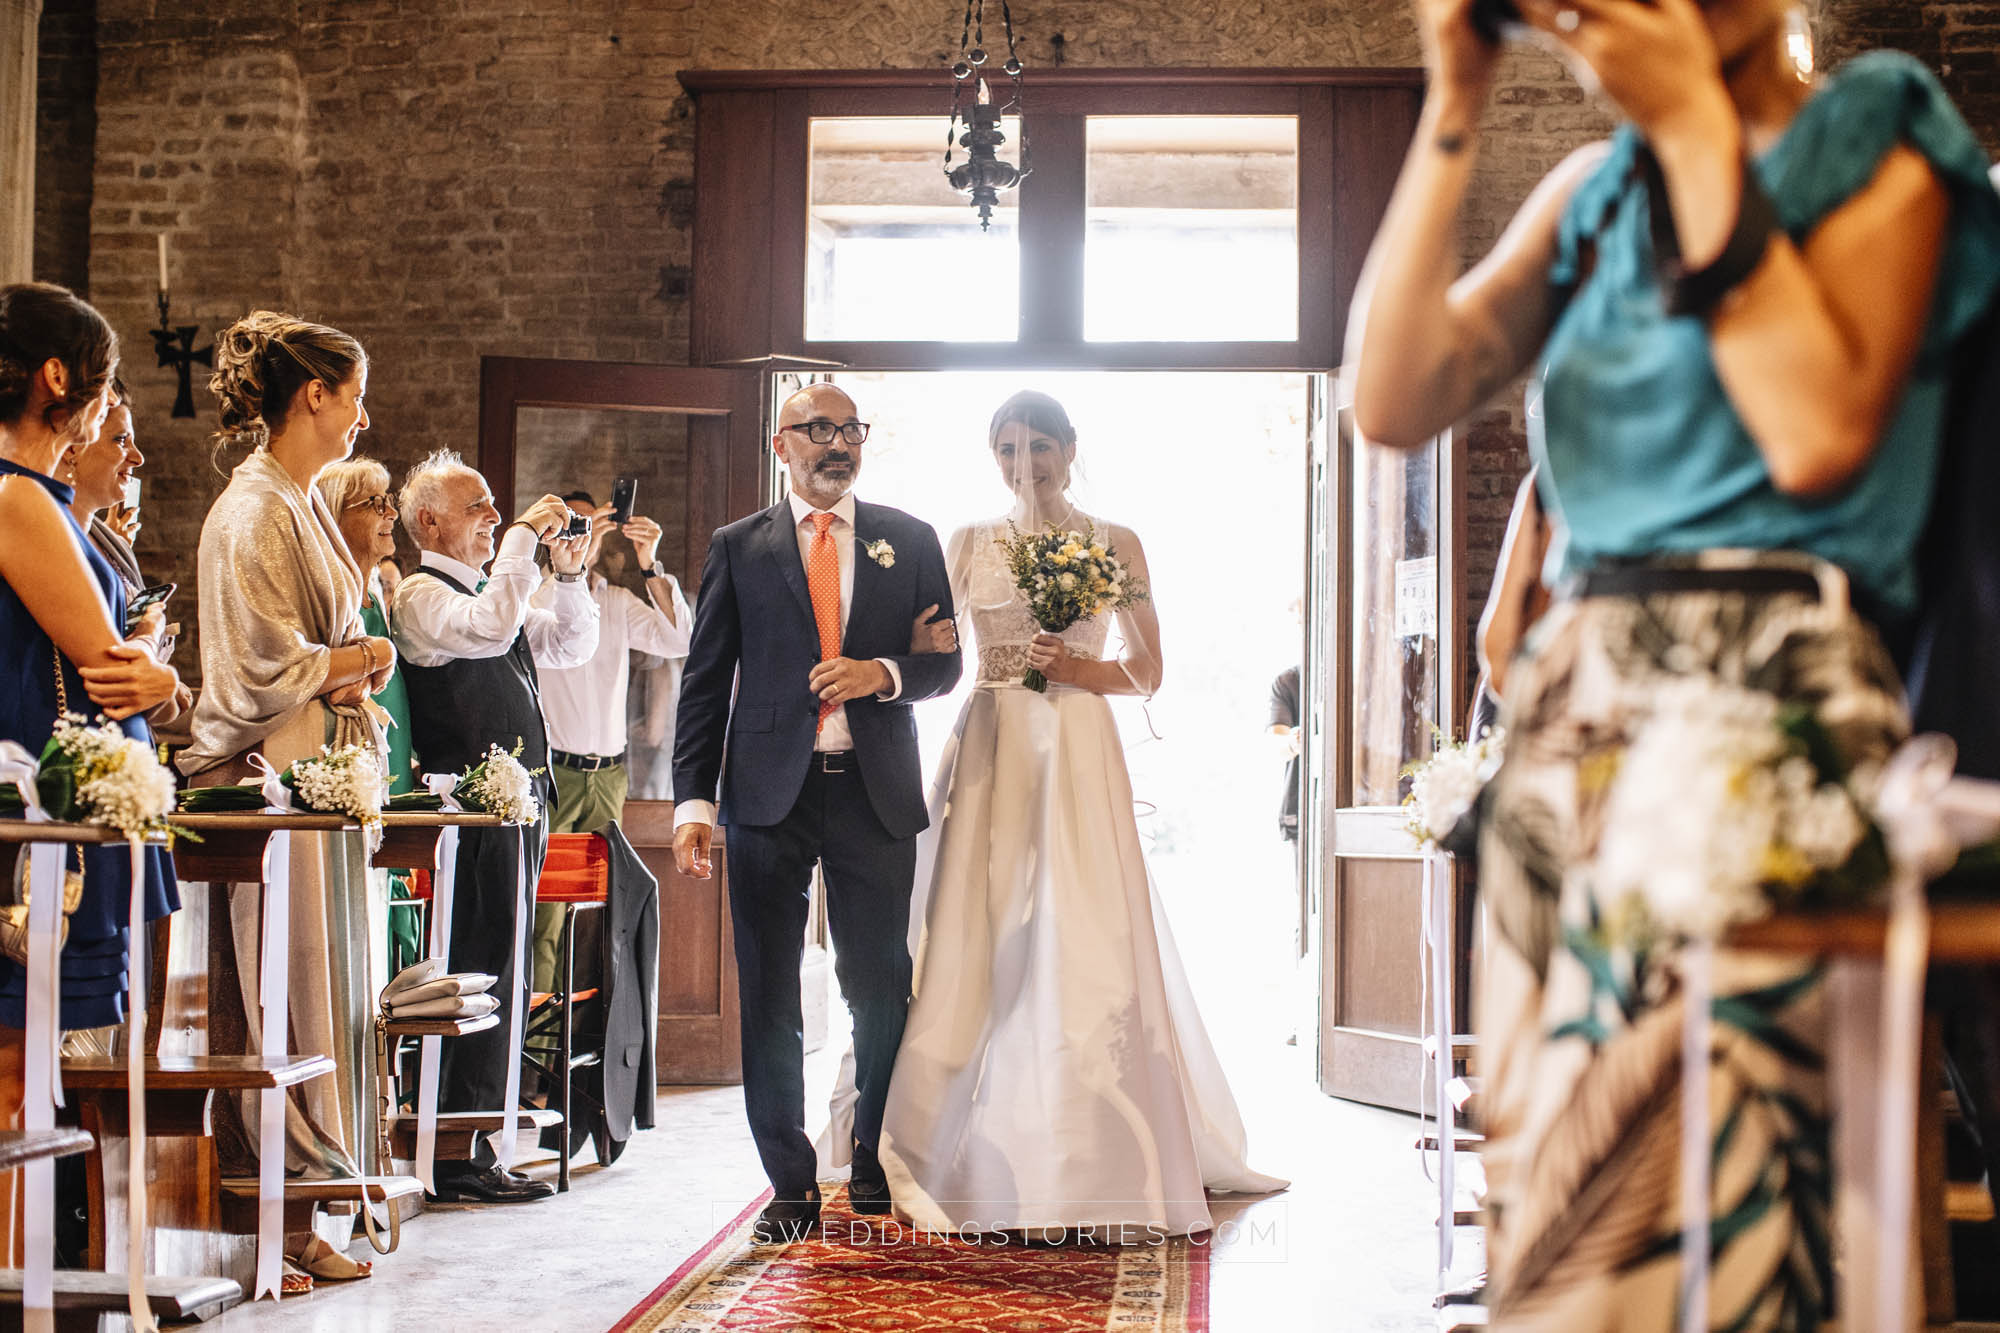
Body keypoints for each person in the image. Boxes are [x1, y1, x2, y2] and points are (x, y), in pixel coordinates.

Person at [1348, 0, 2000, 1323]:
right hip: (1571, 719)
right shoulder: (1596, 192)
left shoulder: (1881, 128)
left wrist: (1698, 120)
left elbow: (1815, 430)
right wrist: (1453, 102)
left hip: (1771, 694)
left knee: (1756, 1185)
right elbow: (1396, 393)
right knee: (1576, 1202)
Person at [873, 389, 1286, 1239]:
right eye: (1007, 450)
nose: (1024, 465)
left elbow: (1148, 670)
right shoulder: (968, 541)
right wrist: (928, 645)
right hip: (990, 741)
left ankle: (1100, 1146)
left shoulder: (1114, 540)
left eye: (1038, 447)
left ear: (1069, 447)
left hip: (1076, 744)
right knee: (978, 929)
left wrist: (1076, 668)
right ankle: (963, 1136)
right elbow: (933, 652)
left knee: (1083, 927)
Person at [672, 383, 961, 1243]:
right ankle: (791, 1184)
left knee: (879, 985)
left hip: (873, 791)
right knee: (768, 995)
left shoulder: (909, 539)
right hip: (766, 795)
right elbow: (704, 682)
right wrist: (695, 798)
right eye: (820, 430)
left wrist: (882, 674)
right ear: (781, 443)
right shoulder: (737, 547)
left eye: (850, 429)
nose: (838, 444)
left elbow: (946, 665)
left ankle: (873, 1158)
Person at [176, 310, 393, 1290]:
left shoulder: (300, 501)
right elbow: (263, 667)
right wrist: (360, 657)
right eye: (353, 398)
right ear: (315, 395)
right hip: (265, 781)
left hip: (316, 773)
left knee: (325, 992)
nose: (360, 417)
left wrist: (347, 668)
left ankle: (307, 1208)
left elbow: (314, 660)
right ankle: (269, 1215)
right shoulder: (256, 508)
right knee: (278, 997)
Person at [0, 284, 182, 1260]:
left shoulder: (37, 497)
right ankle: (23, 1280)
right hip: (42, 820)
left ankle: (50, 1269)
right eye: (105, 384)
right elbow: (109, 668)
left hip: (72, 810)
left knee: (47, 1065)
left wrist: (143, 666)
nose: (107, 413)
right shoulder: (16, 496)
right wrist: (150, 667)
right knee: (20, 1065)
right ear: (56, 377)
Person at [390, 449, 598, 1205]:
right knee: (479, 968)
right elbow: (484, 630)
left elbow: (570, 644)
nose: (492, 513)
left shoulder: (488, 591)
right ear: (428, 521)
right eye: (475, 504)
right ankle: (453, 1149)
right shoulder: (422, 597)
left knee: (508, 971)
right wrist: (522, 545)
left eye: (491, 503)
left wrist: (567, 571)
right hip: (471, 816)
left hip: (517, 807)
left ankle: (483, 1138)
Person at [528, 491, 690, 993]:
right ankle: (534, 1051)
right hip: (556, 775)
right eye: (574, 524)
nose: (586, 533)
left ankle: (597, 1036)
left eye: (593, 522)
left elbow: (679, 640)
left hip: (611, 777)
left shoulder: (618, 603)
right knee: (546, 917)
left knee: (606, 912)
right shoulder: (534, 599)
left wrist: (649, 564)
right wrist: (568, 565)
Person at [61, 378, 191, 730]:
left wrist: (162, 687)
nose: (138, 457)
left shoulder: (106, 540)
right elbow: (119, 678)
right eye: (120, 440)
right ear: (73, 444)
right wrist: (150, 631)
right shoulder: (33, 524)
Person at [316, 458, 417, 798]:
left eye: (389, 501)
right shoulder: (329, 596)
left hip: (394, 758)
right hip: (352, 769)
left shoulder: (372, 596)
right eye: (375, 503)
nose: (391, 513)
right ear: (333, 516)